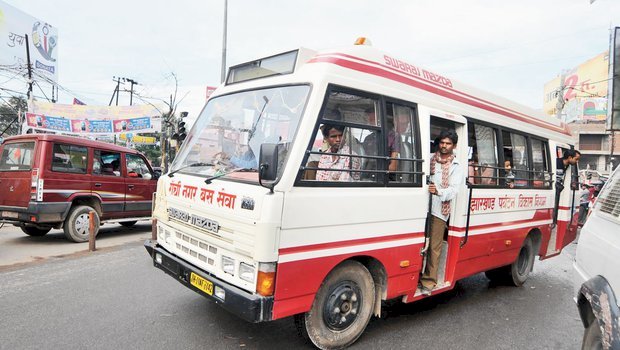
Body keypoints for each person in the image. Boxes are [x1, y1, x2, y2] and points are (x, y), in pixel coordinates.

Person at [419, 130, 463, 295]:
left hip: (439, 210)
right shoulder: (429, 158)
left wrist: (438, 192)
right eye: (442, 142)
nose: (444, 146)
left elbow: (453, 190)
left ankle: (428, 282)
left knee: (434, 248)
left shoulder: (456, 166)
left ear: (454, 146)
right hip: (421, 207)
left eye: (448, 143)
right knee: (419, 244)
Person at [362, 108, 400, 173]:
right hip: (368, 174)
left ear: (379, 121)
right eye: (367, 120)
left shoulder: (393, 136)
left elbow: (393, 166)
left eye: (371, 120)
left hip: (386, 176)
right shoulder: (368, 138)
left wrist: (376, 173)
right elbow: (365, 161)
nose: (368, 123)